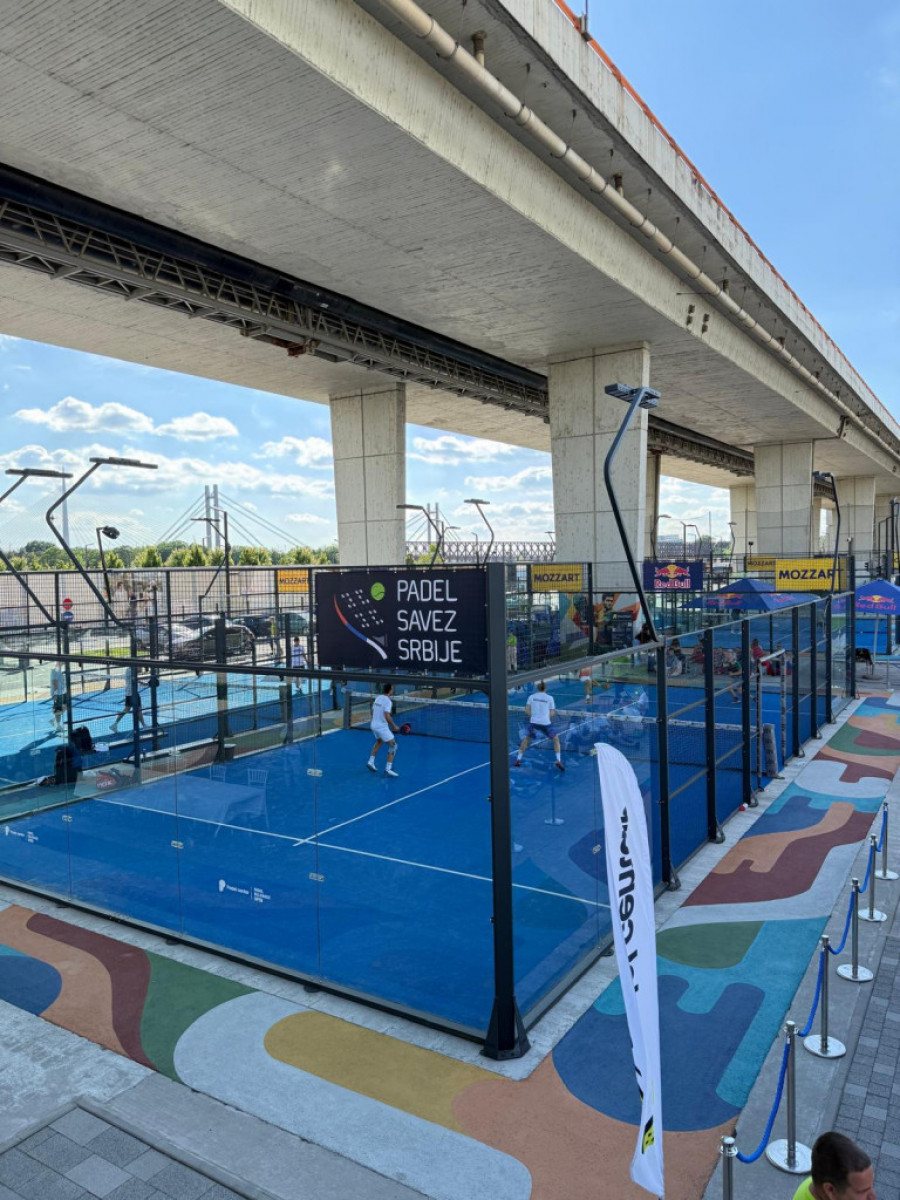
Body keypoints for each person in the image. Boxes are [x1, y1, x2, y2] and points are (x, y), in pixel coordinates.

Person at [792, 1131, 874, 1200]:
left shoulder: (821, 1179)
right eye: (862, 1191)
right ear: (830, 1190)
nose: (872, 1197)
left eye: (871, 1187)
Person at [514, 680, 565, 772]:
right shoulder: (550, 698)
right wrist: (546, 718)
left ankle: (518, 760)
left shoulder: (531, 697)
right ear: (545, 688)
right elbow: (552, 712)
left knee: (526, 739)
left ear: (537, 688)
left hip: (534, 723)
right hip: (546, 724)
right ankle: (558, 760)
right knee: (556, 739)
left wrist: (533, 717)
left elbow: (527, 711)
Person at [367, 683, 400, 777]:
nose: (392, 690)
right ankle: (388, 769)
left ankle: (371, 762)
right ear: (390, 690)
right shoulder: (388, 701)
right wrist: (394, 726)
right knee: (393, 746)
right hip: (381, 727)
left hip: (373, 725)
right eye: (392, 689)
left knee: (379, 741)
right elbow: (387, 715)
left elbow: (372, 711)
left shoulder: (378, 698)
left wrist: (376, 719)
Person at [110, 663, 146, 734]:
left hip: (128, 693)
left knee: (127, 709)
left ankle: (114, 724)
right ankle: (144, 726)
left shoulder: (129, 670)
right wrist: (142, 666)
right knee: (139, 710)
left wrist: (143, 683)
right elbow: (140, 671)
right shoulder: (131, 670)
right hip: (133, 694)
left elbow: (136, 679)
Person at [49, 662, 68, 735]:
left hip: (63, 692)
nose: (63, 663)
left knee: (65, 707)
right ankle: (58, 726)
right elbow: (54, 682)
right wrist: (55, 694)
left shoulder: (61, 670)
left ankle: (54, 720)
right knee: (58, 710)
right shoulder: (55, 670)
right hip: (58, 693)